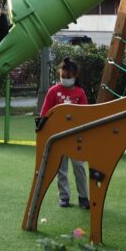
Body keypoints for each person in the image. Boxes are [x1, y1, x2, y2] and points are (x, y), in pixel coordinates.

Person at [38, 57, 90, 209]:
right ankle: (64, 197)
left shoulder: (80, 92)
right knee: (61, 169)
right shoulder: (53, 91)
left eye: (69, 77)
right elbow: (44, 113)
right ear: (59, 74)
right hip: (58, 137)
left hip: (75, 137)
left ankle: (84, 197)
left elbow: (85, 114)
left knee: (79, 167)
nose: (65, 79)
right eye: (63, 76)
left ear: (75, 76)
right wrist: (41, 129)